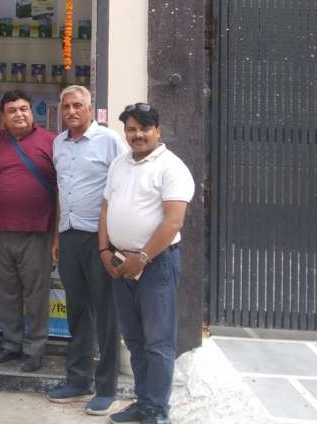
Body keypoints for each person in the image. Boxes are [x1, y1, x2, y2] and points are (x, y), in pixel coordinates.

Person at [100, 104, 194, 424]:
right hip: (121, 263)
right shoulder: (119, 163)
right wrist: (104, 250)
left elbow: (173, 221)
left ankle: (157, 410)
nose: (137, 135)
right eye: (131, 129)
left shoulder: (172, 167)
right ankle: (143, 403)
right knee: (135, 339)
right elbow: (105, 208)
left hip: (156, 265)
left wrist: (142, 258)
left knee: (158, 341)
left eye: (144, 128)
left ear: (158, 131)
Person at [48, 85, 127, 415]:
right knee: (77, 311)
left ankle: (106, 387)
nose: (71, 111)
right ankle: (79, 380)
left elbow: (123, 188)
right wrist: (57, 235)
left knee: (106, 314)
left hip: (100, 239)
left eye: (78, 105)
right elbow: (61, 190)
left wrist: (114, 241)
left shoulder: (109, 141)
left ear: (90, 108)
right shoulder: (58, 143)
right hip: (69, 237)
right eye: (66, 106)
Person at [0, 90, 56, 373]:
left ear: (32, 111)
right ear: (2, 116)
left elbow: (63, 187)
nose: (19, 114)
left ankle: (35, 349)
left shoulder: (51, 142)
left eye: (24, 109)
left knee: (36, 295)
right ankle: (11, 344)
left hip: (37, 231)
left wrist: (56, 233)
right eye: (12, 110)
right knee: (6, 293)